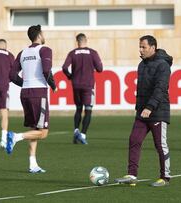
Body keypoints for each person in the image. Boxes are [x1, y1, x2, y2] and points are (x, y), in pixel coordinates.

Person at [115, 35, 172, 187]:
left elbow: (160, 89)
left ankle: (165, 177)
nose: (140, 50)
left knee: (160, 145)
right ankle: (132, 175)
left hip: (158, 111)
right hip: (142, 112)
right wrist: (141, 108)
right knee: (134, 140)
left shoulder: (163, 65)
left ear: (153, 48)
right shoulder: (142, 65)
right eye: (139, 47)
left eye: (143, 47)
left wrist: (150, 107)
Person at [8, 25, 57, 173]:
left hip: (25, 93)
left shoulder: (22, 53)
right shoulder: (45, 50)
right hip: (38, 93)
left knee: (34, 129)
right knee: (43, 132)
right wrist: (53, 85)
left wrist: (24, 83)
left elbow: (11, 75)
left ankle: (32, 164)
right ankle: (15, 137)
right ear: (40, 35)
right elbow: (46, 70)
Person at [62, 33, 103, 144]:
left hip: (76, 84)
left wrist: (70, 76)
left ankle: (76, 131)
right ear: (86, 40)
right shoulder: (92, 53)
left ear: (77, 41)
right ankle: (83, 135)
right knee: (88, 110)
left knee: (78, 109)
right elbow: (100, 69)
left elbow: (64, 67)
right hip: (88, 85)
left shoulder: (72, 53)